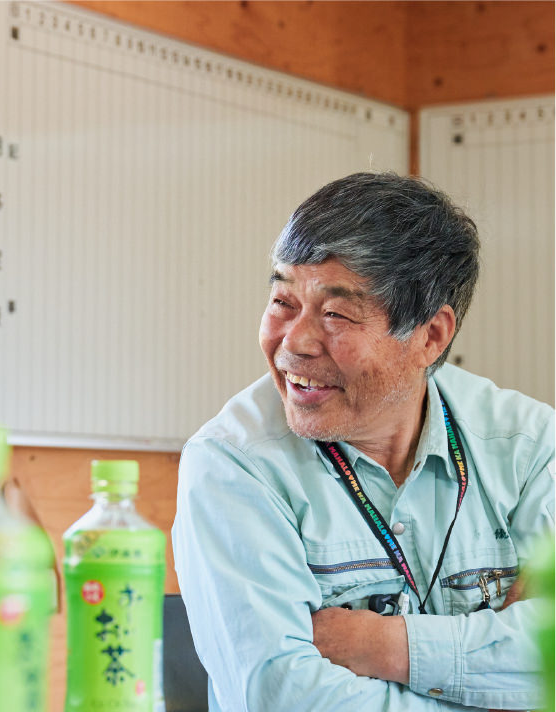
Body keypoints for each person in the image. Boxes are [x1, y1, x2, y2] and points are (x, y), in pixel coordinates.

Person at [172, 172, 553, 711]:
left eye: (335, 314)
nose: (294, 342)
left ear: (430, 336)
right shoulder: (233, 465)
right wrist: (502, 684)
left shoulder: (530, 447)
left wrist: (388, 646)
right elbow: (284, 698)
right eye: (283, 300)